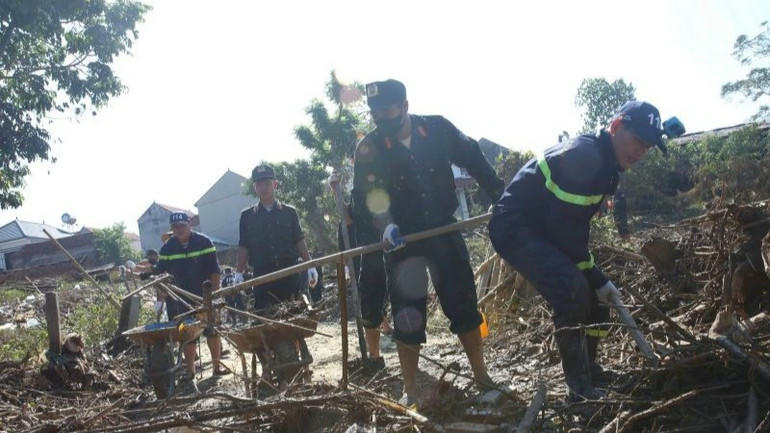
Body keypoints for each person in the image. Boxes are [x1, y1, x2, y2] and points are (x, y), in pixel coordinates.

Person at [488, 101, 684, 401]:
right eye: (637, 141)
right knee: (572, 290)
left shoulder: (607, 165)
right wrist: (595, 274)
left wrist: (596, 279)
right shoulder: (585, 158)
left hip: (544, 227)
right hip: (515, 227)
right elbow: (565, 233)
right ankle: (578, 388)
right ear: (616, 127)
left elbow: (572, 227)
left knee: (596, 299)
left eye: (646, 147)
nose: (639, 152)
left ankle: (591, 367)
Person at [351, 79, 505, 405]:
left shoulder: (436, 129)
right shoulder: (370, 148)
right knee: (408, 316)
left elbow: (474, 157)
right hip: (403, 242)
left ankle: (480, 373)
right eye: (375, 115)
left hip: (443, 232)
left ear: (406, 106)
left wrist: (498, 194)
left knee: (463, 304)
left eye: (388, 112)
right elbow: (364, 197)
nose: (382, 120)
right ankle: (410, 388)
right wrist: (385, 226)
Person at [155, 212, 229, 378]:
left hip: (205, 296)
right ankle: (190, 371)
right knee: (185, 334)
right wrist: (160, 292)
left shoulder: (204, 242)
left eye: (182, 225)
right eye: (175, 227)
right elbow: (160, 272)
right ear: (172, 229)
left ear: (189, 225)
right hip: (179, 300)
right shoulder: (167, 248)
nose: (179, 229)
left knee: (212, 330)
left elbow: (214, 271)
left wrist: (215, 295)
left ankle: (217, 367)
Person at [236, 164, 318, 312]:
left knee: (295, 315)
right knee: (266, 320)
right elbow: (244, 246)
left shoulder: (289, 212)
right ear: (255, 187)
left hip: (289, 272)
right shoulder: (247, 216)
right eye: (259, 184)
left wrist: (310, 265)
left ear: (275, 184)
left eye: (267, 183)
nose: (264, 188)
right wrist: (238, 273)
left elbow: (299, 240)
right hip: (262, 276)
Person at [333, 195, 390, 366]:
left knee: (380, 302)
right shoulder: (348, 222)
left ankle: (387, 328)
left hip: (382, 261)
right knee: (369, 308)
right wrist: (336, 191)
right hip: (359, 266)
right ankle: (374, 355)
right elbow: (346, 219)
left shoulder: (377, 213)